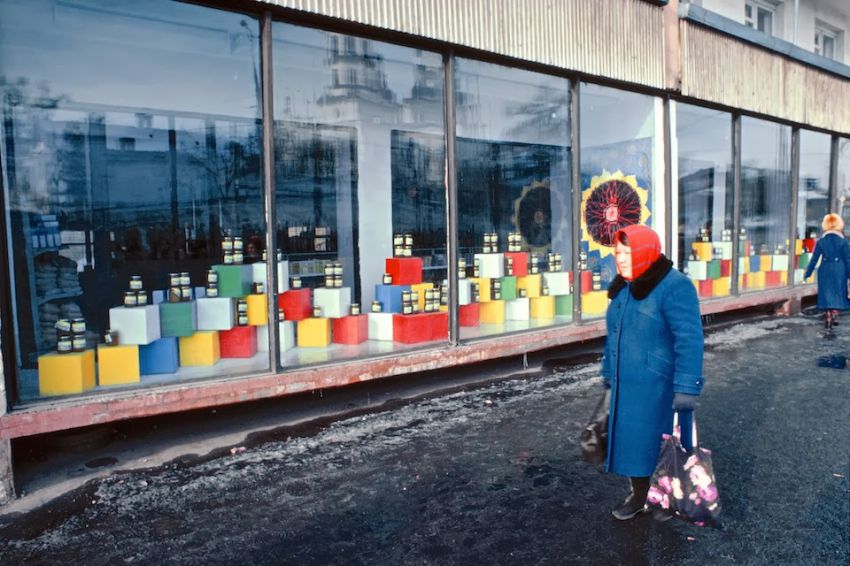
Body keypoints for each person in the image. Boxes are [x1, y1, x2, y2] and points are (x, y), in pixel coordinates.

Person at [600, 224, 705, 520]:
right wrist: (609, 371)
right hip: (628, 384)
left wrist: (687, 387)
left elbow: (690, 338)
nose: (619, 258)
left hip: (659, 387)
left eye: (627, 252)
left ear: (645, 251)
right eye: (617, 252)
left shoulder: (674, 285)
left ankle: (668, 497)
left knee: (661, 446)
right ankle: (639, 494)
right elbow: (614, 334)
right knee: (632, 445)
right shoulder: (625, 285)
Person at [803, 213, 850, 329]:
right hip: (840, 269)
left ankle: (828, 313)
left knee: (826, 292)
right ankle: (834, 313)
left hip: (825, 268)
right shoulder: (843, 242)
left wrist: (807, 273)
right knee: (838, 291)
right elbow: (848, 259)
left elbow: (814, 259)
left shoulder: (821, 241)